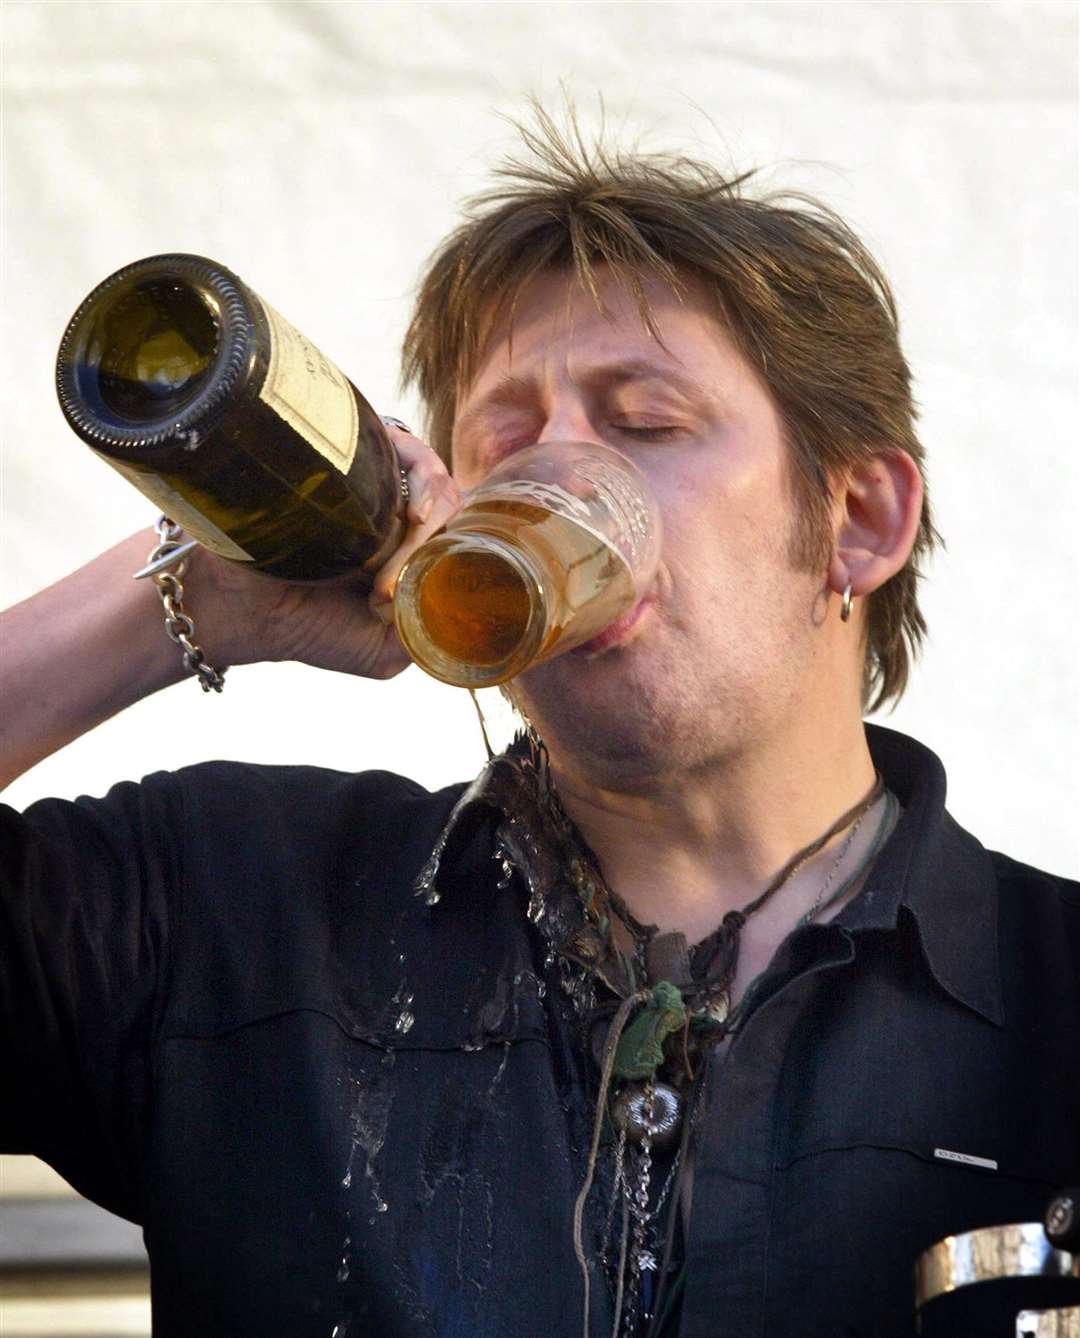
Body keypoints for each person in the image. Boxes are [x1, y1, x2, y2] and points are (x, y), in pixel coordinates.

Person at [2, 114, 1077, 1338]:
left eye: (646, 422)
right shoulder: (228, 906)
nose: (555, 474)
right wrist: (183, 598)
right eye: (503, 442)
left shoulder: (1052, 997)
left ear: (861, 521)